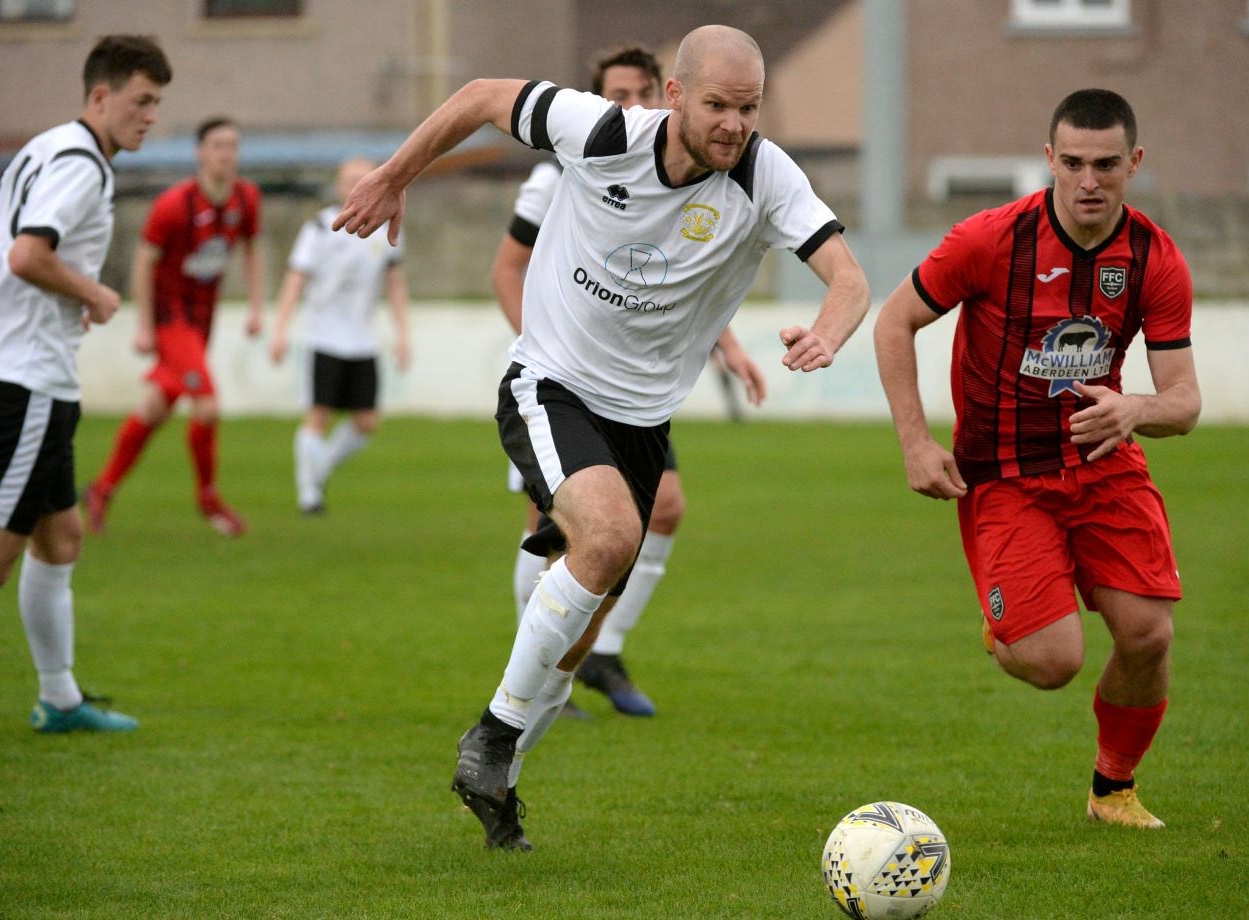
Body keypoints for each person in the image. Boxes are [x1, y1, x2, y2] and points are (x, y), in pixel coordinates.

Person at [336, 24, 870, 850]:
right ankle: (492, 734)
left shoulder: (766, 175)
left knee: (575, 639)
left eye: (750, 108)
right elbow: (481, 98)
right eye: (719, 105)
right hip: (548, 385)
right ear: (675, 96)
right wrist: (394, 175)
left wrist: (831, 332)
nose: (735, 124)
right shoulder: (604, 132)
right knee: (614, 534)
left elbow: (848, 276)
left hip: (641, 422)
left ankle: (498, 783)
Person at [874, 89, 1201, 829]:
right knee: (1051, 662)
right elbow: (893, 322)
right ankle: (1010, 618)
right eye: (1074, 163)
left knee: (1149, 634)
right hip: (1003, 476)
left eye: (1107, 164)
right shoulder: (989, 240)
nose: (1089, 180)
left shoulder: (1153, 258)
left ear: (1134, 163)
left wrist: (1135, 409)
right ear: (1049, 159)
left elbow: (1183, 401)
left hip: (1102, 463)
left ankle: (1111, 789)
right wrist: (916, 441)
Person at [489, 44, 767, 718]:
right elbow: (507, 269)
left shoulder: (683, 171)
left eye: (643, 91)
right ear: (595, 96)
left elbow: (679, 278)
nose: (632, 106)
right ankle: (534, 678)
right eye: (618, 93)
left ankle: (599, 650)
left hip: (635, 386)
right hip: (558, 379)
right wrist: (551, 346)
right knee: (557, 530)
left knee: (658, 511)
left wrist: (726, 344)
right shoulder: (564, 167)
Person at [0, 35, 172, 732]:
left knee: (61, 539)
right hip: (28, 385)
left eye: (157, 104)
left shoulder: (42, 147)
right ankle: (60, 699)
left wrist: (42, 298)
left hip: (24, 376)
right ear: (99, 96)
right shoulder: (84, 167)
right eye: (141, 101)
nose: (150, 117)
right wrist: (91, 294)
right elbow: (25, 252)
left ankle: (61, 700)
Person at [83, 116, 265, 537]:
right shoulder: (174, 204)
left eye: (233, 145)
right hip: (171, 319)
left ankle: (101, 490)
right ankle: (208, 499)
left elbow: (253, 250)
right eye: (218, 145)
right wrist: (144, 325)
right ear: (200, 152)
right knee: (207, 406)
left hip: (203, 319)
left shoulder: (245, 199)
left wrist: (257, 307)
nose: (227, 154)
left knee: (154, 407)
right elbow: (144, 261)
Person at [269, 157, 411, 514]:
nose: (355, 186)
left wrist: (403, 333)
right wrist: (280, 329)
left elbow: (394, 283)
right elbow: (295, 278)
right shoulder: (320, 226)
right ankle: (309, 494)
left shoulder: (385, 227)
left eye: (363, 179)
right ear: (338, 185)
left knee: (366, 422)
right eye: (349, 180)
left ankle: (320, 468)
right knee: (319, 416)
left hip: (362, 339)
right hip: (324, 336)